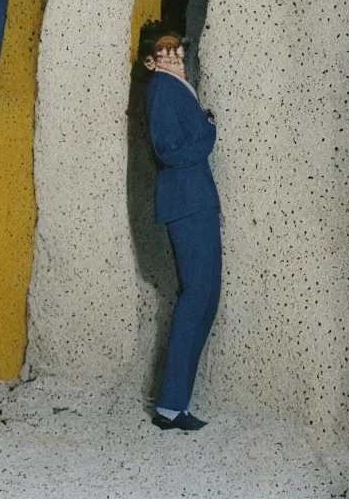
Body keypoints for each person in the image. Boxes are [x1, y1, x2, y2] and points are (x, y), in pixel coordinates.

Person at [140, 25, 221, 431]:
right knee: (197, 298)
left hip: (197, 202)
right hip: (186, 204)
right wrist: (208, 131)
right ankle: (170, 408)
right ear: (151, 61)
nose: (174, 57)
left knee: (206, 299)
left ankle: (177, 403)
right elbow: (168, 150)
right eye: (164, 52)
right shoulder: (162, 88)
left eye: (177, 50)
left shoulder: (177, 87)